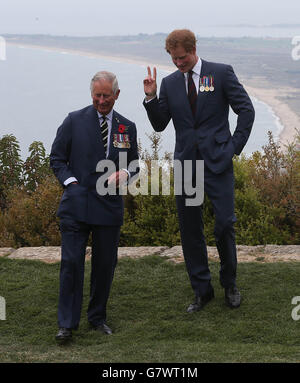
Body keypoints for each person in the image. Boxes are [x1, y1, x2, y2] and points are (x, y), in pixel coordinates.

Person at [143, 29, 255, 312]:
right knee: (191, 230)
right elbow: (159, 124)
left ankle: (229, 284)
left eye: (182, 58)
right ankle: (202, 291)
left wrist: (233, 147)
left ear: (194, 49)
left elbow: (246, 110)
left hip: (218, 162)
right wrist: (151, 97)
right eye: (173, 59)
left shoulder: (221, 73)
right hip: (186, 165)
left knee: (225, 224)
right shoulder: (168, 83)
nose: (178, 63)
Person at [50, 71, 139, 342]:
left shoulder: (127, 127)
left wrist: (126, 174)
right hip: (76, 206)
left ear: (117, 95)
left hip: (109, 208)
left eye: (106, 96)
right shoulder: (73, 120)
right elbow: (56, 158)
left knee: (104, 266)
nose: (101, 101)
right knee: (72, 263)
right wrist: (72, 183)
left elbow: (134, 165)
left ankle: (97, 317)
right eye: (97, 95)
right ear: (92, 94)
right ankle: (66, 324)